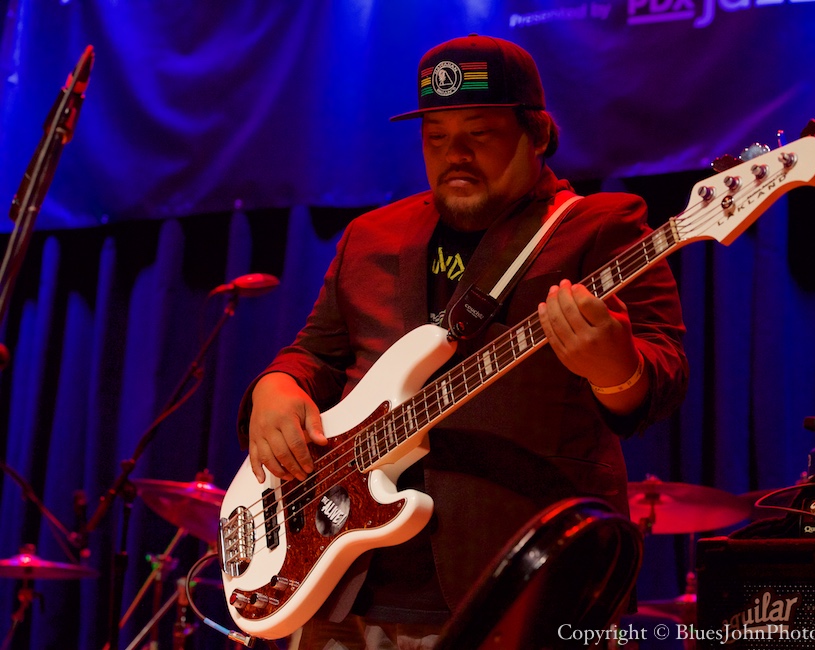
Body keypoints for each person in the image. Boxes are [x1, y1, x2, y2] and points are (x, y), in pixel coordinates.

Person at [237, 34, 688, 649]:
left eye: (480, 133)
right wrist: (276, 386)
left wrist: (616, 370)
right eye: (437, 137)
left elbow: (662, 377)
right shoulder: (371, 235)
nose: (456, 155)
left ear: (538, 135)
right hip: (343, 583)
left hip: (520, 577)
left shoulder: (601, 226)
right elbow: (315, 353)